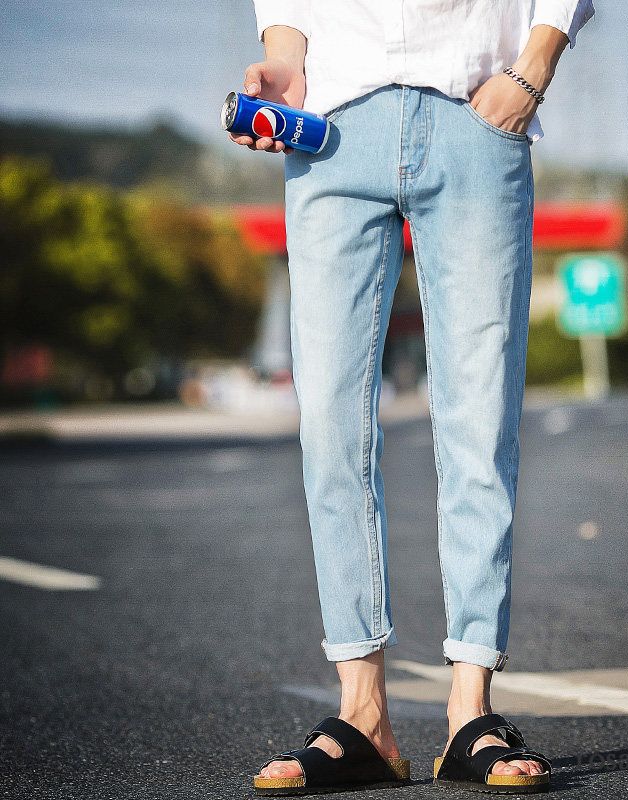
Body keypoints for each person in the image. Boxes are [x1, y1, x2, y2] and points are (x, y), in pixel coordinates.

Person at [231, 1, 595, 794]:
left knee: (478, 418)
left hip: (477, 111)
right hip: (330, 134)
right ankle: (363, 717)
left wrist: (531, 71)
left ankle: (472, 712)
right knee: (329, 424)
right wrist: (283, 63)